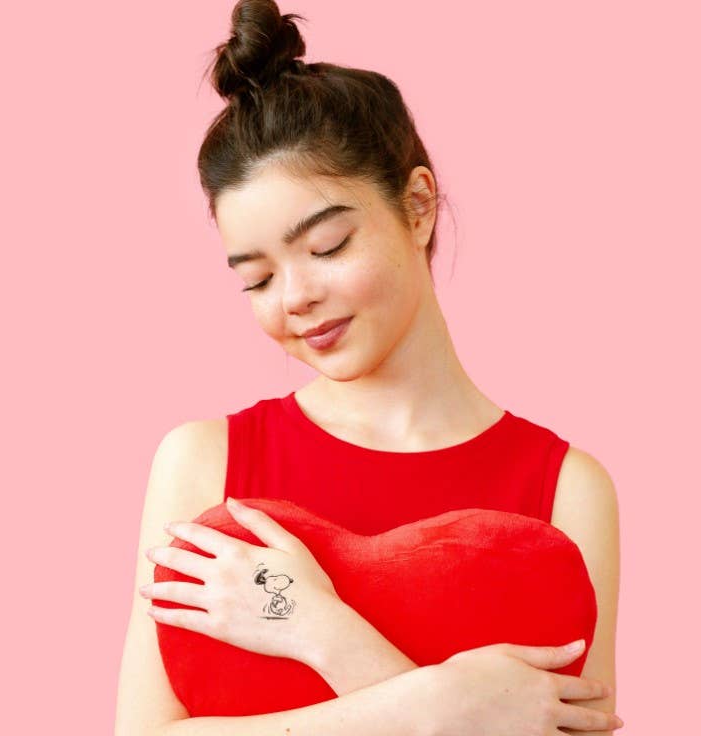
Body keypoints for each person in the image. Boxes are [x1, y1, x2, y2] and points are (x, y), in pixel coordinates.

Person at [115, 1, 622, 733]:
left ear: (417, 206)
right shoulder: (205, 460)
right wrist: (434, 702)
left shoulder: (567, 487)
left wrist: (328, 636)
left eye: (327, 247)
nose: (295, 298)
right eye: (258, 278)